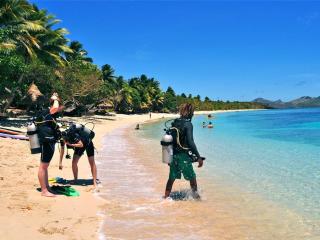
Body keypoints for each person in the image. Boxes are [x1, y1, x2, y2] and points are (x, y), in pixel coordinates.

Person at [164, 103, 204, 199]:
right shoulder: (188, 124)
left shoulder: (174, 123)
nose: (193, 114)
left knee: (171, 178)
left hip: (173, 155)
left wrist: (168, 158)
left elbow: (168, 140)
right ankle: (197, 199)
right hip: (183, 156)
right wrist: (198, 157)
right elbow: (190, 142)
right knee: (192, 177)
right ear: (190, 112)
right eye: (193, 112)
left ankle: (165, 197)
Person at [37, 92, 64, 197]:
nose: (61, 108)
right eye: (60, 105)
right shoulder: (49, 111)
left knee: (45, 165)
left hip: (49, 141)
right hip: (47, 141)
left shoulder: (48, 113)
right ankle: (44, 191)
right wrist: (55, 98)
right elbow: (55, 108)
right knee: (43, 166)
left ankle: (46, 187)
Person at [60, 124, 98, 188]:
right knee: (74, 162)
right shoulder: (61, 137)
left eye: (63, 139)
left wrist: (70, 144)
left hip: (87, 142)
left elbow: (81, 145)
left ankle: (94, 182)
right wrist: (60, 162)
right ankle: (75, 180)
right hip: (79, 144)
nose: (62, 140)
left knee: (92, 162)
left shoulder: (72, 134)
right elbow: (62, 149)